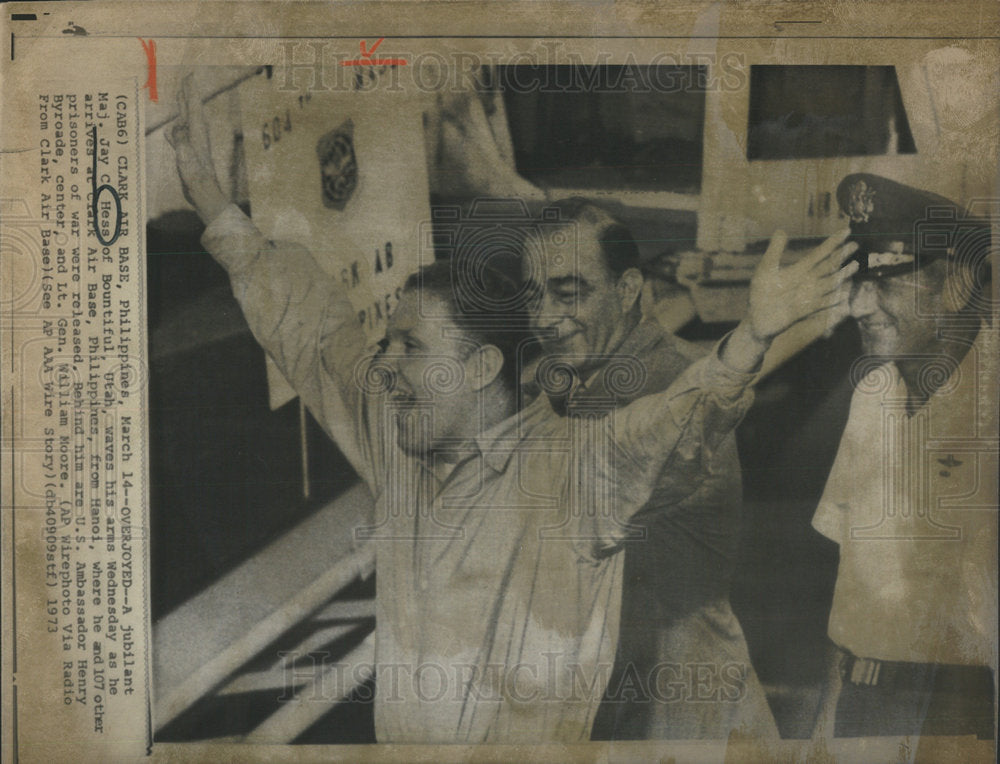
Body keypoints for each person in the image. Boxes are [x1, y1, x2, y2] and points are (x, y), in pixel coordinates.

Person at [167, 78, 858, 743]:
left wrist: (752, 338)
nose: (386, 366)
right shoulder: (403, 421)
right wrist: (216, 210)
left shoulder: (573, 465)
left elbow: (669, 423)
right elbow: (315, 332)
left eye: (410, 347)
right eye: (538, 297)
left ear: (481, 367)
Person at [519, 198, 780, 740]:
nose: (543, 318)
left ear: (628, 289)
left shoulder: (663, 387)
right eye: (533, 296)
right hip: (640, 691)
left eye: (569, 294)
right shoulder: (586, 379)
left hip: (680, 708)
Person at [812, 173, 996, 741]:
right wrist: (824, 727)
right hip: (865, 706)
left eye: (886, 279)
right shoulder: (873, 391)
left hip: (967, 713)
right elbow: (851, 587)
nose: (858, 305)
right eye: (856, 281)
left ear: (960, 282)